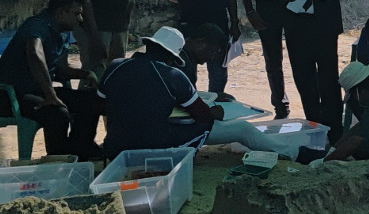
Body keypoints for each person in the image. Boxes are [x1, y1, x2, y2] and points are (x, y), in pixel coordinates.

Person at [96, 26, 316, 161]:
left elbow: (100, 106)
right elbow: (202, 115)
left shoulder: (116, 66)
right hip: (155, 146)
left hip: (116, 145)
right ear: (171, 57)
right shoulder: (173, 75)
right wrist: (214, 111)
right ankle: (295, 153)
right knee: (241, 128)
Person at [273, 0, 354, 143]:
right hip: (295, 23)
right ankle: (314, 126)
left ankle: (334, 129)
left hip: (324, 24)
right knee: (303, 77)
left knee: (329, 78)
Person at [0, 0, 101, 159]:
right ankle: (58, 158)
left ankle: (80, 149)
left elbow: (58, 69)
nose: (80, 19)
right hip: (13, 95)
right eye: (76, 13)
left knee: (94, 101)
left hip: (38, 90)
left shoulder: (63, 33)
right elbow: (35, 53)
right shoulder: (36, 25)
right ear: (61, 12)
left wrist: (85, 74)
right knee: (58, 115)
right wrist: (50, 94)